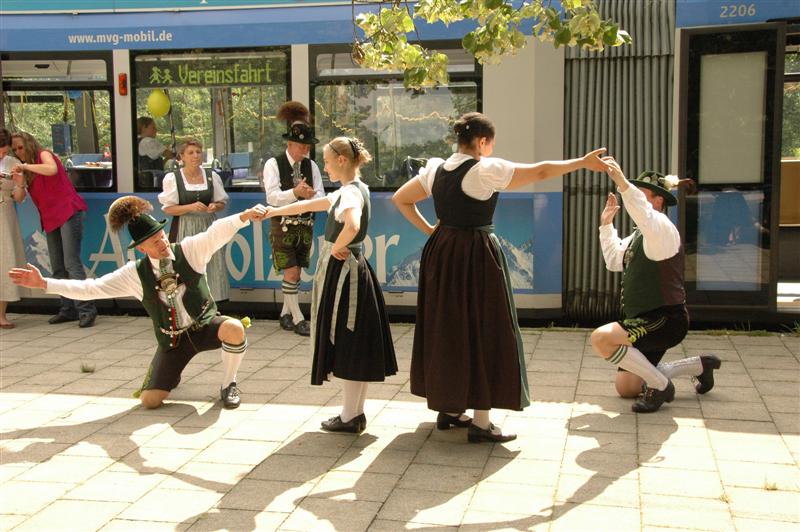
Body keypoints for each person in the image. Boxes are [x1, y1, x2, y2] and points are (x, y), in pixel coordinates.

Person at [392, 112, 609, 443]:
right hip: (475, 254)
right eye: (491, 143)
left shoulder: (436, 168)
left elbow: (401, 199)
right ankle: (481, 422)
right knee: (485, 326)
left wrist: (432, 230)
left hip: (441, 252)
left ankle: (449, 409)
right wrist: (581, 161)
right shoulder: (484, 170)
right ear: (482, 142)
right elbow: (540, 171)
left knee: (448, 326)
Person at [9, 196, 267, 409]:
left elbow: (216, 232)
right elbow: (91, 288)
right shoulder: (134, 273)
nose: (163, 242)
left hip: (205, 325)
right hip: (173, 340)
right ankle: (170, 374)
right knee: (150, 402)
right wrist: (45, 284)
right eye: (155, 241)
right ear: (141, 248)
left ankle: (229, 384)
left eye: (162, 235)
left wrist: (244, 216)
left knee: (234, 328)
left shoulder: (188, 250)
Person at [264, 136, 397, 433]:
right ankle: (354, 413)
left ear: (341, 160)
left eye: (325, 161)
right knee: (356, 341)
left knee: (347, 340)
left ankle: (351, 416)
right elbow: (312, 203)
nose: (323, 167)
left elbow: (351, 223)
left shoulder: (349, 194)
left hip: (344, 273)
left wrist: (339, 245)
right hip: (355, 270)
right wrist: (272, 211)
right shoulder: (355, 189)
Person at [591, 161, 721, 413]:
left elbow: (642, 212)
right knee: (626, 388)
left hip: (664, 320)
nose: (637, 198)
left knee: (601, 339)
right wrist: (606, 226)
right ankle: (700, 366)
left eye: (643, 194)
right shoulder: (639, 234)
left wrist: (621, 181)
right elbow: (614, 261)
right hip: (645, 321)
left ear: (659, 201)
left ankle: (661, 386)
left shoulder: (662, 228)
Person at [10, 131, 98, 328]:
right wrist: (20, 181)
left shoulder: (43, 155)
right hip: (50, 218)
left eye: (20, 147)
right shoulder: (27, 170)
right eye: (15, 150)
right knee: (57, 266)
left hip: (68, 212)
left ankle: (87, 309)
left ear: (29, 144)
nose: (18, 152)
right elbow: (19, 197)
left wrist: (25, 166)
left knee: (71, 263)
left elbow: (51, 170)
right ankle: (68, 309)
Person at [262, 101, 324, 337]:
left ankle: (285, 314)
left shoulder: (312, 166)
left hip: (305, 225)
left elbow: (321, 195)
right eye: (301, 146)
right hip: (282, 225)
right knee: (292, 272)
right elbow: (272, 197)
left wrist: (308, 196)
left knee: (296, 272)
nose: (305, 150)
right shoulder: (273, 164)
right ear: (289, 143)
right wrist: (295, 194)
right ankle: (298, 318)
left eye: (307, 146)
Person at [159, 138, 230, 302]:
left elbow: (221, 202)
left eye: (198, 152)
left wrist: (214, 206)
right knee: (188, 265)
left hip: (208, 225)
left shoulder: (211, 176)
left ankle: (212, 305)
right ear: (181, 156)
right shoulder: (173, 178)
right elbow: (168, 208)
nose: (195, 156)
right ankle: (189, 306)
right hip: (185, 226)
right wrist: (189, 207)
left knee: (211, 264)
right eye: (190, 153)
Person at [0, 128, 27, 329]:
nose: (2, 154)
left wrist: (19, 184)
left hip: (5, 213)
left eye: (4, 151)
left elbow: (19, 198)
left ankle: (2, 313)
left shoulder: (14, 164)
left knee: (5, 260)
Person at [137, 116, 172, 186]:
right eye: (153, 128)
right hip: (151, 179)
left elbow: (157, 161)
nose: (156, 130)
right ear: (144, 128)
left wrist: (168, 158)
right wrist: (177, 153)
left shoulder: (139, 141)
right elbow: (167, 153)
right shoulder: (147, 141)